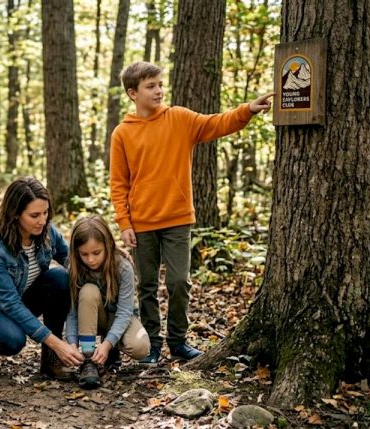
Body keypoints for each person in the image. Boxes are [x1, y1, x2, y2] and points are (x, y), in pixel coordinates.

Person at [109, 61, 273, 364]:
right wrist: (123, 222)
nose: (159, 91)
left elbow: (217, 123)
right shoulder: (122, 133)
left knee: (178, 282)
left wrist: (247, 109)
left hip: (177, 219)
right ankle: (153, 344)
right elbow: (119, 183)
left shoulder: (179, 119)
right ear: (133, 93)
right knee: (146, 286)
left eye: (159, 84)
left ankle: (179, 342)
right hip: (141, 223)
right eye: (151, 86)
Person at [0, 176, 84, 379]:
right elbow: (10, 304)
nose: (42, 220)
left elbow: (72, 261)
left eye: (45, 213)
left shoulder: (46, 231)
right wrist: (55, 341)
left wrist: (109, 257)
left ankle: (51, 361)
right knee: (13, 341)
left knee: (60, 278)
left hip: (20, 297)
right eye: (34, 215)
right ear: (15, 214)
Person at [65, 215, 150, 389]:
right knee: (88, 291)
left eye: (96, 253)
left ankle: (110, 350)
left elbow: (125, 312)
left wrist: (107, 343)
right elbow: (72, 312)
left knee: (141, 347)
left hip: (117, 317)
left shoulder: (122, 267)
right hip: (88, 318)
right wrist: (72, 343)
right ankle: (89, 361)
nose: (90, 260)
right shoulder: (74, 268)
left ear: (108, 245)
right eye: (84, 254)